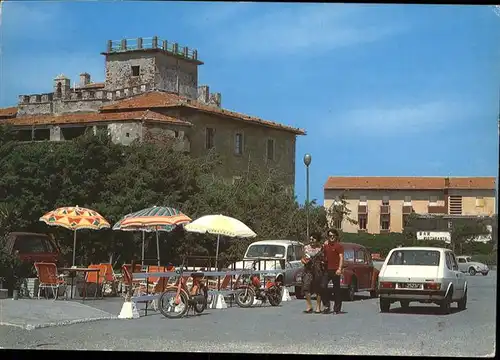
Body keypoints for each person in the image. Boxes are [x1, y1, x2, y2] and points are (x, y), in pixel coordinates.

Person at [321, 228, 344, 315]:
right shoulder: (325, 245)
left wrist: (339, 268)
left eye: (333, 236)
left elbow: (341, 257)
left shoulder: (338, 246)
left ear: (336, 237)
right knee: (323, 286)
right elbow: (322, 254)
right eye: (330, 236)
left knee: (336, 289)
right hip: (327, 269)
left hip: (335, 270)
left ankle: (337, 309)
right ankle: (327, 305)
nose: (332, 237)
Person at [301, 232, 324, 314]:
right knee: (306, 287)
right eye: (310, 239)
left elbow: (324, 258)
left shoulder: (321, 248)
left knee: (318, 288)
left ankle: (318, 306)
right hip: (308, 269)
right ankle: (309, 305)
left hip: (318, 269)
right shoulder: (306, 247)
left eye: (313, 239)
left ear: (317, 240)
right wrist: (304, 261)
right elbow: (302, 258)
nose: (311, 241)